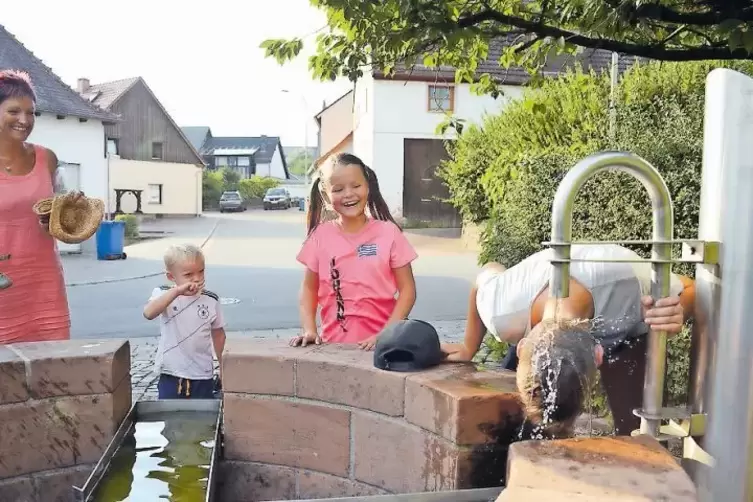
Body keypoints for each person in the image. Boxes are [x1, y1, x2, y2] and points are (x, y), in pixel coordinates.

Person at [441, 244, 695, 435]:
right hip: (578, 305)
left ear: (598, 355)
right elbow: (485, 275)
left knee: (634, 427)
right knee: (526, 428)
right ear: (521, 347)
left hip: (624, 316)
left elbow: (693, 286)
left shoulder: (628, 281)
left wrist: (675, 309)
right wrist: (468, 347)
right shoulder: (501, 308)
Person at [290, 153, 418, 350]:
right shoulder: (320, 237)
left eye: (356, 186)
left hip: (384, 347)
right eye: (338, 189)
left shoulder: (389, 233)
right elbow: (309, 289)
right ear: (325, 196)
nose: (348, 194)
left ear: (368, 187)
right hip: (334, 347)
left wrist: (387, 334)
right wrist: (309, 329)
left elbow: (408, 290)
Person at [0, 69, 83, 344]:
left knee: (50, 365)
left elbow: (61, 219)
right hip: (2, 284)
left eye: (31, 112)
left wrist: (68, 214)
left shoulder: (46, 158)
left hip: (43, 279)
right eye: (14, 111)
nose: (24, 120)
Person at [144, 244, 226, 399]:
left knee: (202, 417)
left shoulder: (211, 299)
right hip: (171, 373)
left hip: (203, 374)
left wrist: (223, 367)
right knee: (169, 417)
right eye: (188, 274)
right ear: (171, 277)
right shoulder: (163, 294)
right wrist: (176, 291)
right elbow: (148, 313)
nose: (197, 278)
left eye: (201, 271)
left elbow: (219, 334)